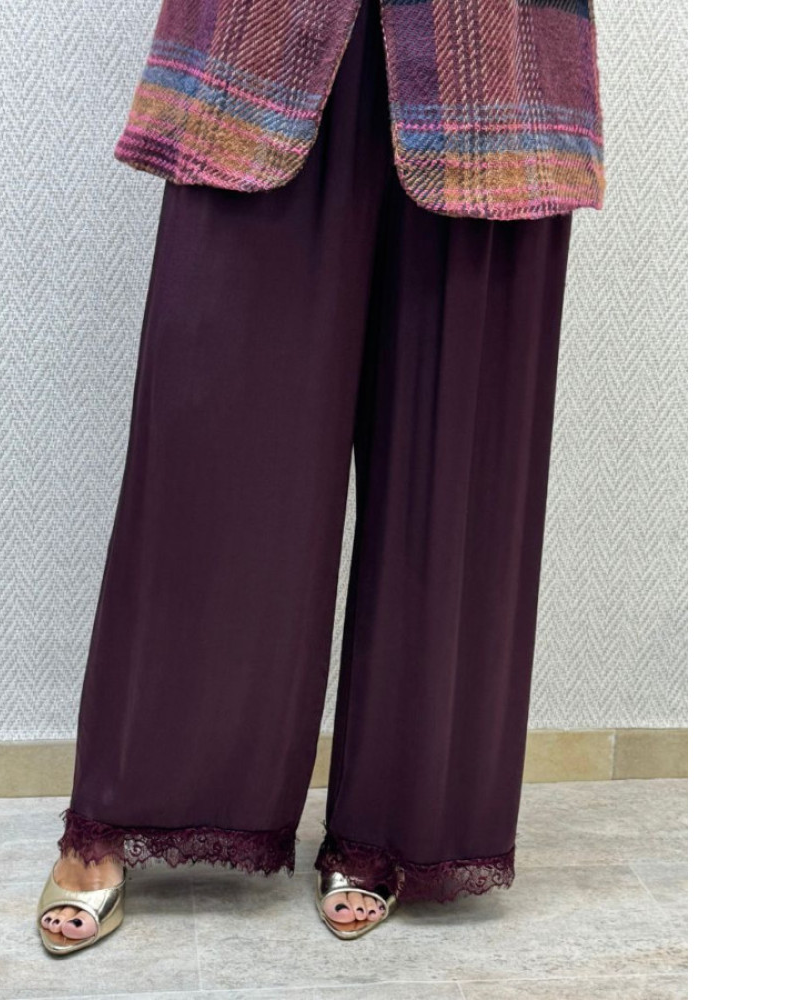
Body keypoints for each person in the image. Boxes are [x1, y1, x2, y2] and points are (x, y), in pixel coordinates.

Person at [37, 0, 606, 953]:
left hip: (496, 53)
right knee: (209, 458)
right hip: (264, 39)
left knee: (452, 474)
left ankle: (393, 828)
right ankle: (121, 810)